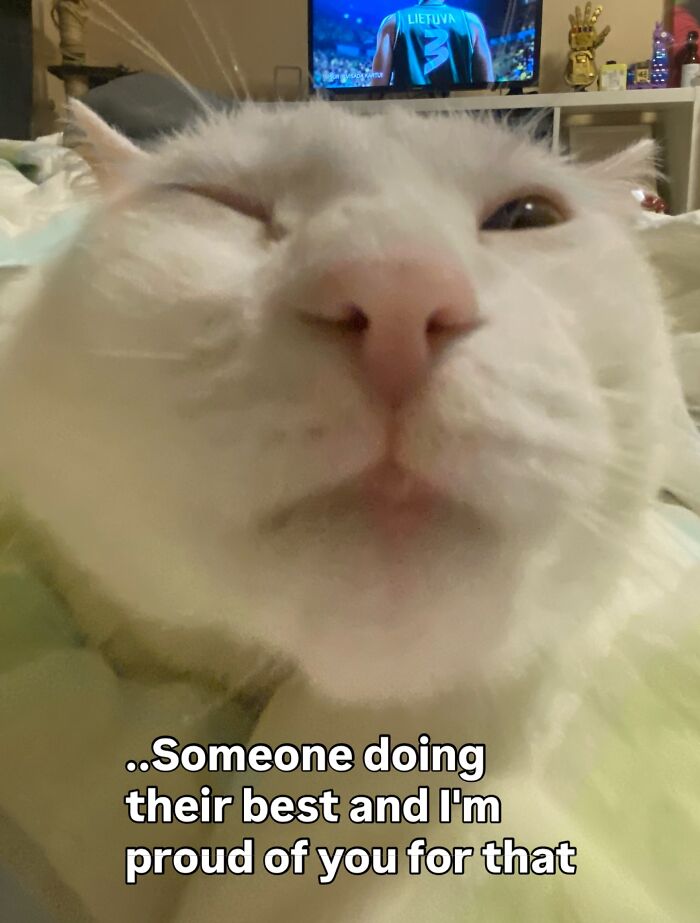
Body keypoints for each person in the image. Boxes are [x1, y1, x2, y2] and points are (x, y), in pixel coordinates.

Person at [371, 0, 494, 89]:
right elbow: (487, 86)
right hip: (459, 117)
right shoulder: (471, 23)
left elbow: (378, 87)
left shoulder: (393, 23)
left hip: (407, 116)